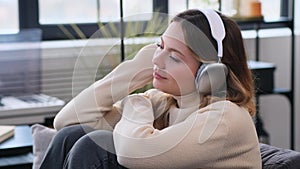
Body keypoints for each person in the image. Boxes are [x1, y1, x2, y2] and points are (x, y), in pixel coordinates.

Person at [40, 9, 261, 169]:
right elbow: (67, 121)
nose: (157, 59)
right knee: (71, 135)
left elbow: (132, 153)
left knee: (92, 146)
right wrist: (136, 68)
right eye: (159, 46)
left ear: (211, 73)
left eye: (174, 56)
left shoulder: (226, 118)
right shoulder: (164, 101)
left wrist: (135, 104)